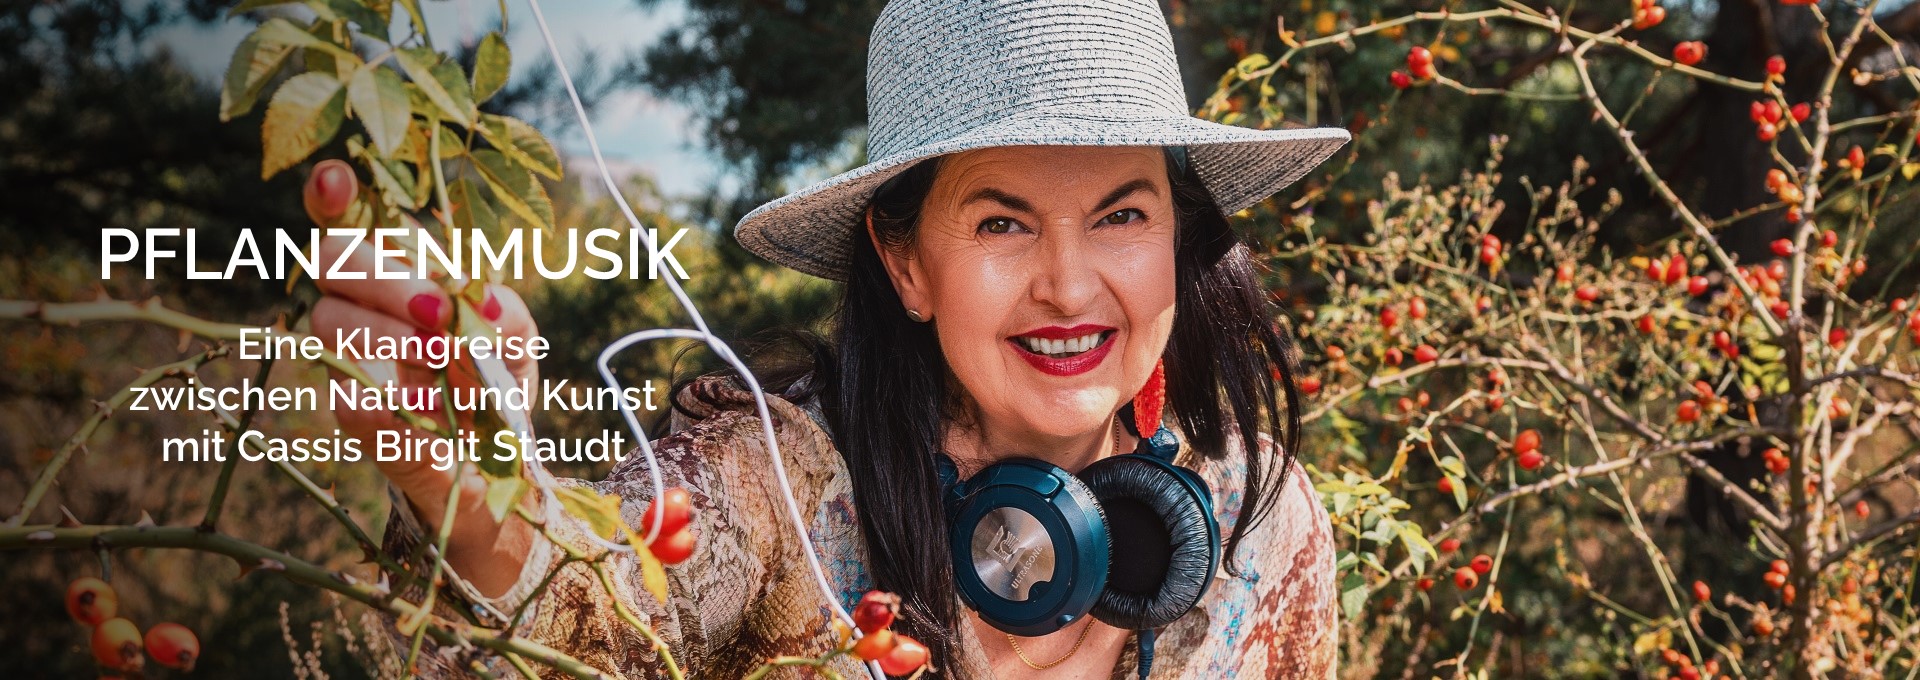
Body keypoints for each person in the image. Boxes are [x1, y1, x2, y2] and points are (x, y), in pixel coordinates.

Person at [316, 0, 1352, 677]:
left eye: (1123, 215)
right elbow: (576, 606)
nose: (1070, 284)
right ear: (905, 264)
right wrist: (479, 507)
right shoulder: (772, 483)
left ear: (1178, 237)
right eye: (1001, 221)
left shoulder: (1259, 520)